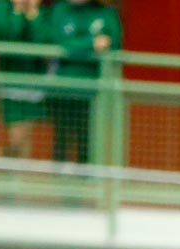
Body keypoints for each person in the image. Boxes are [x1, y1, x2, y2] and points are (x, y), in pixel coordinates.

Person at [47, 0, 119, 164]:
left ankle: (86, 182)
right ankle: (59, 180)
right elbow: (57, 40)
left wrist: (79, 45)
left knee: (87, 139)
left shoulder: (106, 13)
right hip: (63, 88)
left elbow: (114, 43)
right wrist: (91, 44)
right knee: (62, 137)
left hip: (94, 90)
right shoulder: (60, 9)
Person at [0, 0, 47, 159]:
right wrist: (17, 12)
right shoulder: (2, 7)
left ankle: (18, 173)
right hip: (10, 80)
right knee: (17, 136)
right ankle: (3, 157)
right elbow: (6, 34)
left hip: (34, 80)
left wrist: (33, 14)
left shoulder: (41, 10)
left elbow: (43, 39)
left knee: (26, 135)